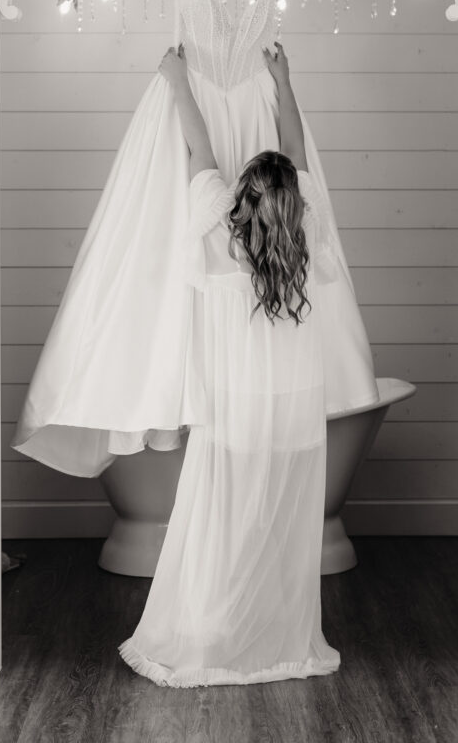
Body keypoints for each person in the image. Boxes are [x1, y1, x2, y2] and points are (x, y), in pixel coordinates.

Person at [117, 40, 341, 687]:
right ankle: (272, 633)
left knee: (226, 527)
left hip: (235, 409)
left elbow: (198, 148)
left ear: (242, 197)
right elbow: (296, 156)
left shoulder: (219, 236)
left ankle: (217, 629)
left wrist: (176, 78)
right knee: (278, 529)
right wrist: (283, 82)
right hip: (295, 410)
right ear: (294, 203)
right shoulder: (311, 239)